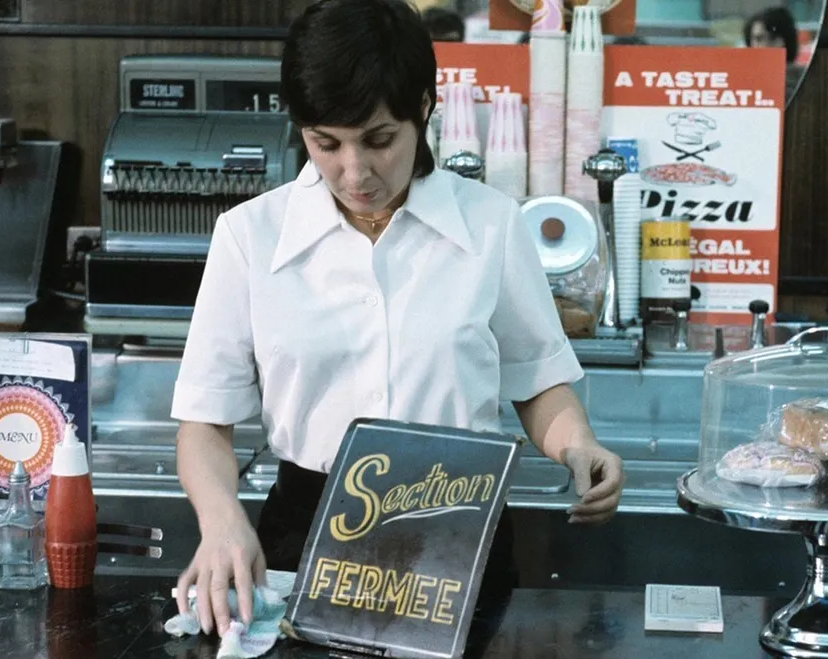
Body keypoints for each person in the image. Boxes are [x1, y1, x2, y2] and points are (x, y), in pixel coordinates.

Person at [170, 0, 626, 638]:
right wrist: (222, 521)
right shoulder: (250, 236)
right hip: (305, 531)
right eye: (325, 143)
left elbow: (537, 382)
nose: (354, 172)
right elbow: (204, 422)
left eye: (379, 140)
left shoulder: (491, 225)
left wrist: (578, 445)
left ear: (424, 108)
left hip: (457, 533)